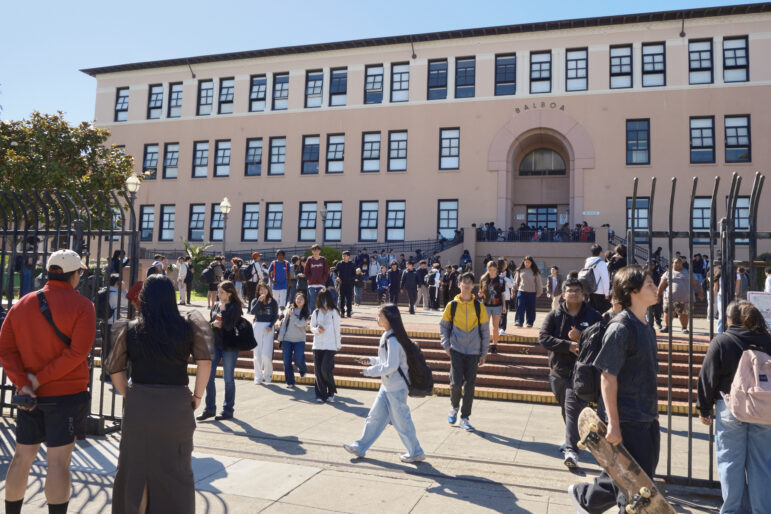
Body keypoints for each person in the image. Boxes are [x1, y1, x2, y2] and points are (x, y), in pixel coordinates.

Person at [107, 275, 212, 514]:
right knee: (176, 471)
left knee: (136, 471)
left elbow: (115, 369)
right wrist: (197, 396)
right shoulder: (188, 326)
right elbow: (204, 361)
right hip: (176, 404)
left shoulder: (130, 329)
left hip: (140, 404)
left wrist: (129, 395)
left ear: (144, 300)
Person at [0, 249, 93, 514]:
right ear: (74, 275)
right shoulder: (83, 306)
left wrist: (25, 382)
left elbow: (5, 350)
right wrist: (39, 379)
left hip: (29, 396)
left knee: (21, 458)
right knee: (58, 463)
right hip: (66, 395)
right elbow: (78, 353)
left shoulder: (23, 303)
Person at [568, 265, 660, 513]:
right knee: (633, 492)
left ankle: (585, 498)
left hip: (647, 416)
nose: (656, 287)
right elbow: (607, 377)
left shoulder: (646, 326)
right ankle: (586, 498)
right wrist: (614, 424)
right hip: (628, 419)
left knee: (640, 480)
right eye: (650, 284)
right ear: (633, 291)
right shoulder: (621, 328)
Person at [697, 300, 771, 513]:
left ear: (730, 320)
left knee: (730, 463)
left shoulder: (722, 341)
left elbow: (707, 377)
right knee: (762, 466)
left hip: (730, 406)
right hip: (764, 409)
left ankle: (731, 510)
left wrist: (704, 408)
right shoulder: (767, 341)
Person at [344, 305, 425, 462]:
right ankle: (360, 447)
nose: (377, 318)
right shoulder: (387, 336)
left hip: (396, 388)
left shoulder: (393, 340)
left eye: (379, 315)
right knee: (374, 417)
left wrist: (370, 371)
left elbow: (391, 366)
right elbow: (385, 361)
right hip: (388, 386)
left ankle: (416, 451)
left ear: (388, 318)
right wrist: (371, 361)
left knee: (402, 422)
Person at [538, 277, 601, 469]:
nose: (573, 293)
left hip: (582, 373)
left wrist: (581, 339)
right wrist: (568, 345)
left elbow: (600, 342)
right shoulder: (554, 315)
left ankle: (571, 450)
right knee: (566, 408)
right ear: (563, 293)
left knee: (572, 408)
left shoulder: (593, 316)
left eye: (577, 290)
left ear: (583, 294)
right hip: (558, 370)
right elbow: (543, 338)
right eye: (570, 290)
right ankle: (574, 437)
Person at [440, 272, 490, 431]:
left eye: (470, 282)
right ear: (459, 284)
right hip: (456, 348)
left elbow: (485, 331)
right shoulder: (452, 305)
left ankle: (465, 417)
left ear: (472, 286)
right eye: (464, 282)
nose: (467, 285)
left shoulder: (479, 306)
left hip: (474, 350)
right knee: (455, 383)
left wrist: (484, 352)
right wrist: (446, 344)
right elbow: (444, 326)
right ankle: (454, 407)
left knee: (470, 385)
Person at [198, 280, 243, 421]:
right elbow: (210, 323)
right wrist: (213, 324)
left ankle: (228, 410)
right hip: (215, 345)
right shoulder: (216, 305)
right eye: (218, 291)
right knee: (208, 377)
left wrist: (223, 312)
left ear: (229, 294)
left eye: (221, 292)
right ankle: (210, 409)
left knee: (228, 379)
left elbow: (229, 326)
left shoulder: (235, 307)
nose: (218, 294)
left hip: (230, 346)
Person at [656, 257, 704, 334]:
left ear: (682, 264)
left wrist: (700, 293)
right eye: (676, 262)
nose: (677, 264)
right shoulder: (667, 273)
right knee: (668, 313)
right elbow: (661, 286)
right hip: (669, 298)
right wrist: (658, 296)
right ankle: (668, 327)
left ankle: (684, 328)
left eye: (679, 262)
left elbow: (696, 284)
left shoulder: (688, 273)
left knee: (683, 314)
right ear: (672, 264)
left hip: (685, 299)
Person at [310, 288, 342, 402]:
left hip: (330, 345)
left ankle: (331, 391)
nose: (323, 301)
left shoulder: (334, 312)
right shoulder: (316, 312)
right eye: (321, 298)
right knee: (318, 371)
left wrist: (338, 344)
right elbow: (311, 327)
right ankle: (320, 395)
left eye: (325, 298)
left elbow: (337, 329)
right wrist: (317, 330)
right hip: (317, 345)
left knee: (325, 369)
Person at [277, 292, 309, 388]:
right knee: (286, 362)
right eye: (297, 298)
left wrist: (293, 316)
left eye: (301, 299)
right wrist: (280, 337)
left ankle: (302, 369)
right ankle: (290, 381)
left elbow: (300, 324)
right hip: (287, 339)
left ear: (304, 301)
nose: (299, 300)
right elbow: (284, 323)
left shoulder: (305, 312)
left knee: (298, 360)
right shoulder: (290, 310)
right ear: (295, 299)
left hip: (300, 340)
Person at [250, 281, 279, 385]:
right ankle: (257, 376)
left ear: (268, 290)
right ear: (258, 291)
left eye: (264, 288)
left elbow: (275, 316)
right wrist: (259, 301)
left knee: (266, 354)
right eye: (260, 289)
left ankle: (268, 374)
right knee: (257, 353)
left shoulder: (273, 302)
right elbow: (252, 312)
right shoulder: (255, 300)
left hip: (268, 328)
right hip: (257, 325)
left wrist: (271, 325)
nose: (263, 291)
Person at [478, 261, 506, 355]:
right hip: (486, 305)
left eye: (494, 270)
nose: (492, 272)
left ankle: (494, 345)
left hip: (497, 306)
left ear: (497, 270)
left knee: (495, 327)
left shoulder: (501, 279)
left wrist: (504, 306)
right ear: (487, 269)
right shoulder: (483, 278)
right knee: (484, 327)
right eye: (490, 270)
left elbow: (502, 294)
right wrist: (480, 294)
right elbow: (480, 292)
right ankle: (484, 345)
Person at [513, 256, 542, 328]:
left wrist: (539, 292)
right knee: (520, 307)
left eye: (528, 262)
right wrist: (513, 290)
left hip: (531, 293)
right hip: (521, 291)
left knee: (531, 308)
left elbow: (539, 283)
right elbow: (516, 282)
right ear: (523, 262)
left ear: (531, 263)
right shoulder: (520, 270)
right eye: (525, 262)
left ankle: (529, 322)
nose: (527, 263)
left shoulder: (535, 272)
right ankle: (519, 321)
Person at [583, 244, 611, 313]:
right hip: (600, 291)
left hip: (590, 290)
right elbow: (605, 279)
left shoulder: (587, 263)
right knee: (603, 312)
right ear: (600, 253)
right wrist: (607, 293)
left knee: (592, 312)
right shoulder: (601, 263)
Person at [305, 244, 329, 312]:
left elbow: (326, 271)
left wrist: (324, 279)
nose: (316, 251)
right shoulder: (309, 260)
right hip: (312, 284)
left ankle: (323, 315)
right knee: (312, 300)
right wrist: (309, 279)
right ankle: (312, 315)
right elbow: (306, 271)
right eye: (314, 250)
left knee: (322, 300)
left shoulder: (323, 260)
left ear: (320, 251)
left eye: (317, 249)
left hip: (321, 284)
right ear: (312, 251)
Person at [268, 250, 292, 314]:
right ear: (277, 256)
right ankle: (275, 312)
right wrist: (272, 281)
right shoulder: (273, 263)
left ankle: (281, 313)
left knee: (283, 299)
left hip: (284, 284)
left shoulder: (286, 263)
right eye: (279, 255)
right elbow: (269, 272)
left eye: (281, 255)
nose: (280, 256)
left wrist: (289, 282)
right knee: (275, 299)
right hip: (275, 284)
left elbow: (289, 273)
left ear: (284, 256)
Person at [335, 251, 356, 318]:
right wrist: (337, 277)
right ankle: (342, 312)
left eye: (345, 256)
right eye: (343, 256)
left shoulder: (352, 264)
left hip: (349, 284)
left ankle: (349, 312)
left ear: (348, 256)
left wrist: (352, 281)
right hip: (342, 283)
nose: (344, 257)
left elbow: (354, 274)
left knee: (349, 298)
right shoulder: (339, 264)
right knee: (342, 298)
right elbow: (335, 271)